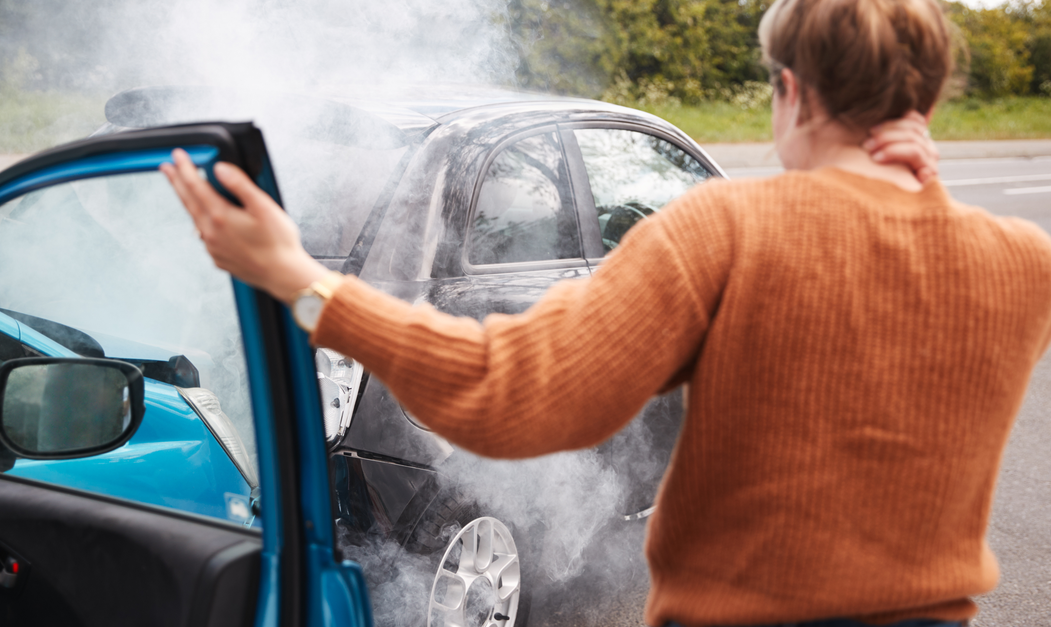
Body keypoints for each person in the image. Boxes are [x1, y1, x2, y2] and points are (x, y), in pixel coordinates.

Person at [162, 0, 1051, 623]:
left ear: (792, 92)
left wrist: (296, 277)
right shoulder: (1020, 261)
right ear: (926, 101)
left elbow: (512, 397)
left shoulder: (724, 230)